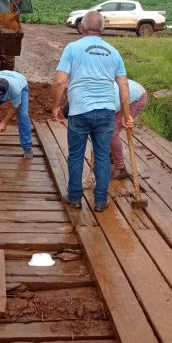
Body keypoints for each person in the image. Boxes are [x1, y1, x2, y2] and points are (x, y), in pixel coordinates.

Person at [52, 11, 132, 212]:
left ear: (81, 28)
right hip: (105, 111)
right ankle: (100, 201)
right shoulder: (113, 52)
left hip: (79, 110)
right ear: (103, 29)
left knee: (76, 155)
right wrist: (125, 114)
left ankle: (75, 197)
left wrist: (56, 106)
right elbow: (123, 86)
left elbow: (60, 81)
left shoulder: (72, 48)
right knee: (103, 156)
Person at [110, 79, 147, 179]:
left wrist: (125, 115)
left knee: (112, 133)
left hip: (135, 98)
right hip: (125, 93)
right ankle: (111, 155)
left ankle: (120, 167)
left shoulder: (103, 103)